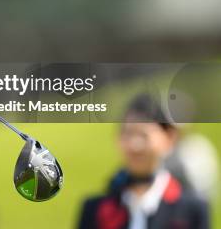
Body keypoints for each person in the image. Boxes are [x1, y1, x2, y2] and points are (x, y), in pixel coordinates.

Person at [77, 93, 209, 229]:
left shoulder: (192, 208)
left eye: (144, 135)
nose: (135, 145)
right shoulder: (95, 208)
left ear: (169, 138)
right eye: (128, 133)